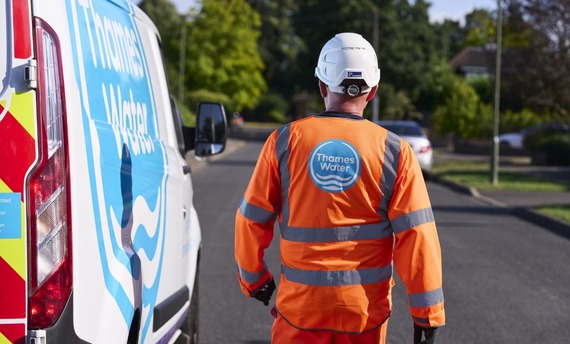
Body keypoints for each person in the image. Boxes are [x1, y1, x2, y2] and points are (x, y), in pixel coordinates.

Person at [234, 32, 445, 344]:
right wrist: (427, 313)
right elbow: (417, 236)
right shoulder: (395, 152)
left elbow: (251, 220)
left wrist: (254, 279)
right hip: (363, 316)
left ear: (322, 85)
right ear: (372, 90)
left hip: (299, 312)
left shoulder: (284, 142)